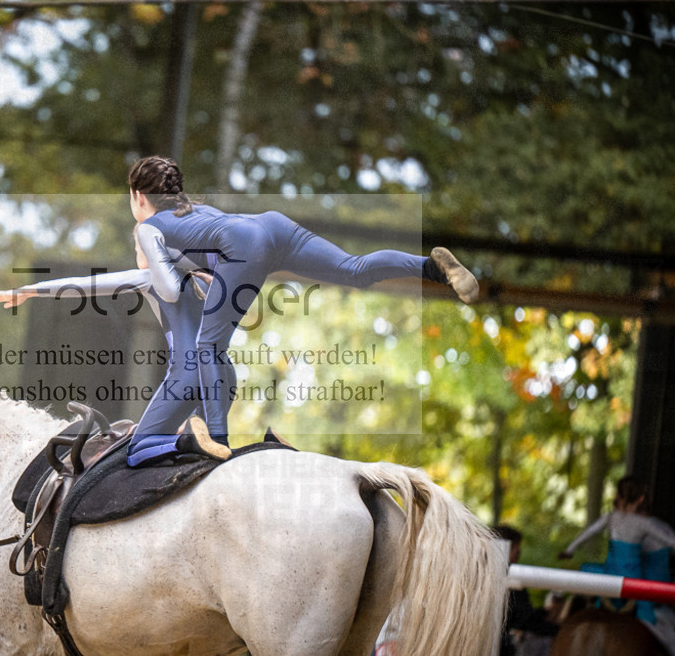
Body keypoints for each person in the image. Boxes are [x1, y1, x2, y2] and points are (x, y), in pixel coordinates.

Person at [127, 155, 480, 455]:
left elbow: (167, 286)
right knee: (353, 269)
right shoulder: (193, 209)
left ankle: (217, 442)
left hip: (244, 248)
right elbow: (214, 243)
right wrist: (209, 275)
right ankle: (432, 268)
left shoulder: (148, 227)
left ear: (138, 196)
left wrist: (157, 262)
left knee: (207, 344)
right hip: (272, 226)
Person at [0, 227, 232, 466]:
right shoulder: (207, 281)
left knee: (137, 452)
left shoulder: (150, 277)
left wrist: (29, 291)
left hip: (188, 373)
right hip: (224, 373)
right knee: (207, 448)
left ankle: (186, 443)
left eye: (138, 247)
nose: (138, 254)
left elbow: (87, 284)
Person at [560, 476, 675, 623]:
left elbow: (589, 532)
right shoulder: (644, 524)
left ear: (618, 496)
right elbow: (673, 543)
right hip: (632, 578)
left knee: (585, 572)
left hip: (610, 574)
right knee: (647, 610)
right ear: (640, 499)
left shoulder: (609, 517)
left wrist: (569, 550)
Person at [492, 525, 559, 656]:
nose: (519, 551)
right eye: (516, 546)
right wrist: (561, 630)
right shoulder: (511, 579)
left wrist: (544, 612)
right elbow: (525, 621)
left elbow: (521, 617)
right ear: (506, 548)